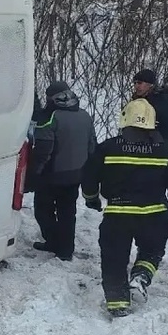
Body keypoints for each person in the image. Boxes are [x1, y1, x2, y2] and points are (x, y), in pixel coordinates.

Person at [81, 98, 168, 318]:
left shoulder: (107, 148)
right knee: (151, 252)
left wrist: (91, 199)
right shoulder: (166, 152)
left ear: (124, 120)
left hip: (118, 216)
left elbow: (89, 177)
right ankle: (141, 276)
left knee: (113, 259)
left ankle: (118, 303)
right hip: (154, 216)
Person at [29, 81, 96, 261]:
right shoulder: (85, 116)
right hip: (76, 175)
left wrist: (33, 175)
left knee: (43, 211)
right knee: (68, 213)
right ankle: (66, 250)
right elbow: (92, 148)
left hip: (52, 176)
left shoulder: (51, 118)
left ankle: (53, 241)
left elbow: (43, 151)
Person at [132, 69, 168, 144]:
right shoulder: (135, 100)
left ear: (150, 84)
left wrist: (157, 135)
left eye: (139, 83)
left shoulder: (163, 100)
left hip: (158, 146)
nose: (136, 86)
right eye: (135, 83)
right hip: (136, 145)